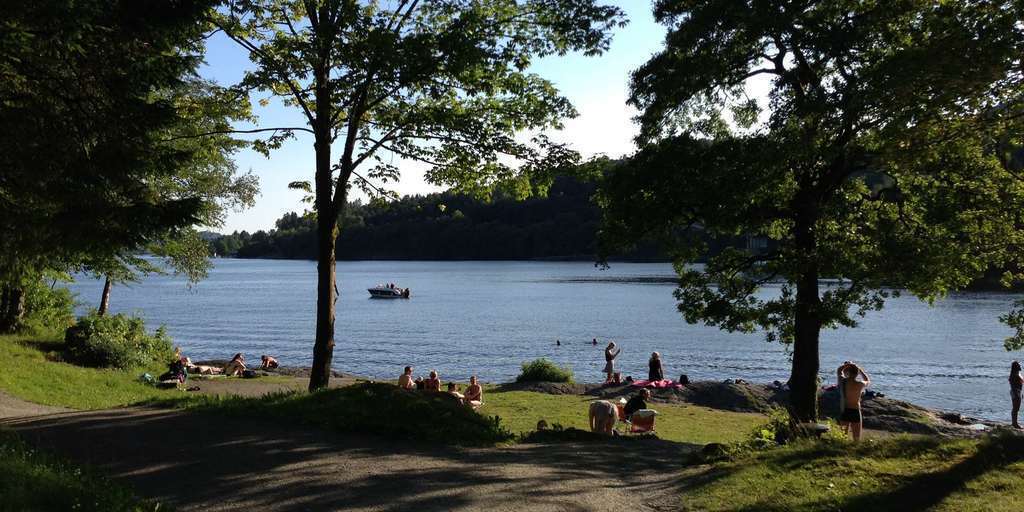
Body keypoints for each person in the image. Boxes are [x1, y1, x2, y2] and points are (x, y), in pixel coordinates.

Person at [837, 362, 871, 441]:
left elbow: (839, 370)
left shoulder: (842, 381)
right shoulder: (860, 384)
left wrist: (848, 365)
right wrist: (860, 371)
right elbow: (867, 380)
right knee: (856, 438)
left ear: (847, 372)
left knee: (842, 437)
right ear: (857, 374)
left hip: (845, 410)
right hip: (855, 410)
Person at [1010, 361, 1023, 429]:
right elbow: (1013, 385)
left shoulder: (1017, 373)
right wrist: (1017, 394)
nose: (1020, 366)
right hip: (1015, 392)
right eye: (1019, 365)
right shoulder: (1014, 374)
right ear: (1016, 367)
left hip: (1018, 391)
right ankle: (1014, 423)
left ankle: (1014, 423)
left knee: (1016, 408)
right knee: (1015, 408)